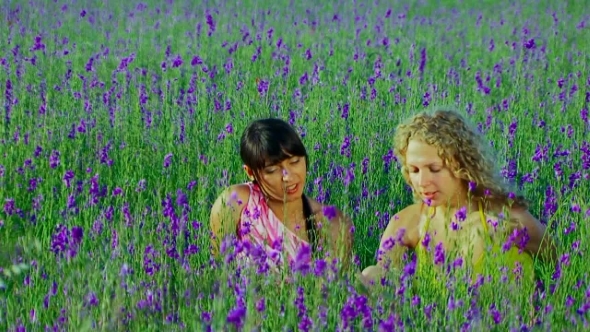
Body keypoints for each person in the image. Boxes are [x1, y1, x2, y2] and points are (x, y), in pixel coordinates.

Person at [360, 108, 557, 297]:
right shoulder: (408, 222)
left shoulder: (507, 217)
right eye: (415, 170)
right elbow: (384, 286)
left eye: (435, 169)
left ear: (462, 166)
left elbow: (561, 269)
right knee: (371, 275)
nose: (422, 181)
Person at [209, 118, 354, 276]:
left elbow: (335, 293)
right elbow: (219, 272)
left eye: (295, 162)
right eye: (272, 170)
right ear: (251, 173)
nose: (288, 177)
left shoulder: (329, 222)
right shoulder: (236, 203)